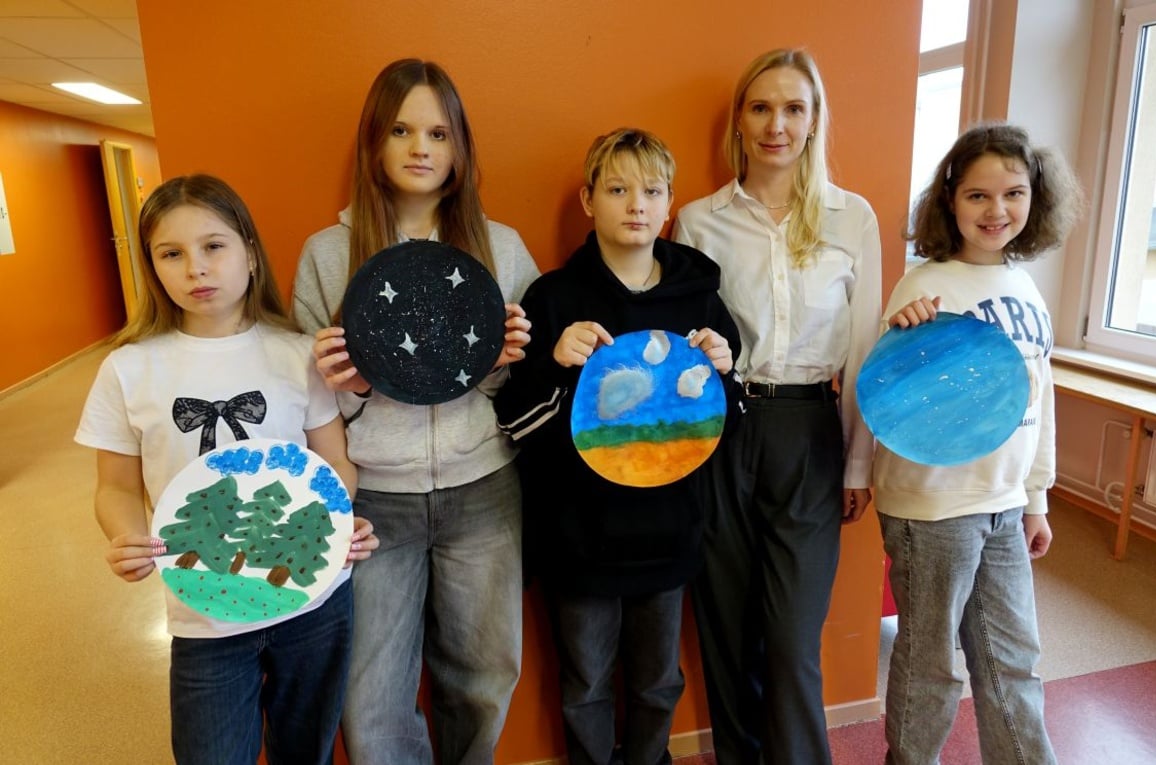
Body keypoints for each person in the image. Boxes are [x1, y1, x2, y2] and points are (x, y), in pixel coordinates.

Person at [75, 174, 379, 765]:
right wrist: (124, 537)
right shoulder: (127, 369)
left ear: (250, 254)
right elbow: (113, 486)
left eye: (213, 246)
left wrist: (339, 520)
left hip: (311, 598)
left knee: (306, 748)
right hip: (204, 610)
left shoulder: (298, 353)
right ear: (152, 268)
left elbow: (335, 461)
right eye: (172, 253)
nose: (196, 268)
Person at [291, 58, 540, 765]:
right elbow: (310, 404)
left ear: (460, 146)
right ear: (374, 141)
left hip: (484, 488)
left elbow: (526, 393)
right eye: (400, 129)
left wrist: (499, 368)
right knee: (369, 698)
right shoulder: (326, 253)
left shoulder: (504, 247)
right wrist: (350, 383)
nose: (420, 147)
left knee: (486, 675)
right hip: (374, 498)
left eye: (438, 131)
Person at [495, 128, 746, 765]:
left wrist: (724, 378)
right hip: (579, 534)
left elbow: (730, 425)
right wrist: (554, 366)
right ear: (588, 200)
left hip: (669, 530)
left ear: (670, 204)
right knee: (585, 683)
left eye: (651, 191)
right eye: (616, 189)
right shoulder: (552, 298)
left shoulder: (702, 298)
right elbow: (516, 427)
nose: (636, 204)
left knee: (659, 680)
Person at [672, 48, 882, 764]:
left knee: (792, 638)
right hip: (722, 429)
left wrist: (859, 462)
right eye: (761, 107)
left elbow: (862, 351)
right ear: (740, 119)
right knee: (726, 629)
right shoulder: (698, 222)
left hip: (809, 432)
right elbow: (680, 349)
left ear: (816, 119)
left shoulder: (853, 219)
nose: (777, 125)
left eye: (795, 108)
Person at [875, 122, 1081, 765]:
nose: (997, 211)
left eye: (1013, 194)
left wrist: (1036, 498)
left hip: (1004, 503)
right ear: (950, 200)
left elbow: (1039, 403)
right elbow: (891, 398)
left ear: (1034, 199)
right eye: (978, 196)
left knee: (1014, 661)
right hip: (933, 506)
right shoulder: (924, 286)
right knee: (931, 662)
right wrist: (900, 334)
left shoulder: (1027, 290)